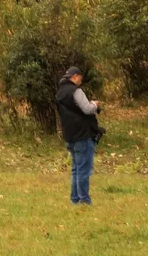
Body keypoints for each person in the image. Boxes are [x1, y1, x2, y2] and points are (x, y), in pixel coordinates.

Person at [56, 65, 101, 206]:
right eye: (80, 79)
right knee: (84, 170)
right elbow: (87, 109)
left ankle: (75, 199)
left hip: (70, 135)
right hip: (83, 134)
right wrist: (95, 104)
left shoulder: (60, 92)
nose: (80, 82)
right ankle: (84, 200)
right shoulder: (76, 91)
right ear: (75, 76)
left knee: (76, 169)